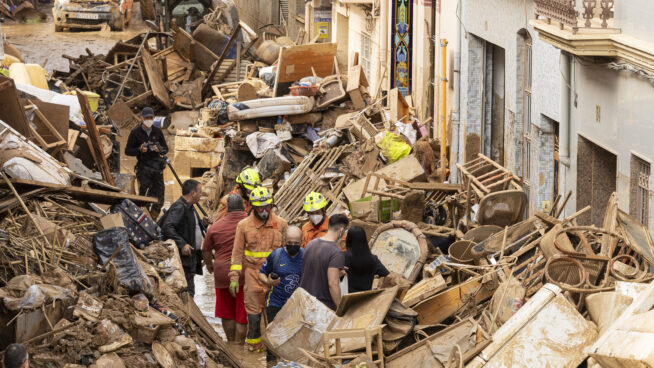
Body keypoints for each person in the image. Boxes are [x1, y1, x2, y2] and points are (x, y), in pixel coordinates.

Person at [229, 186, 288, 352]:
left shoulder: (281, 224)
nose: (264, 211)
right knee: (253, 317)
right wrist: (234, 278)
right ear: (253, 207)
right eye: (260, 208)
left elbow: (286, 253)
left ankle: (274, 352)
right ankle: (254, 350)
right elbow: (237, 253)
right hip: (253, 275)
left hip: (275, 277)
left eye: (266, 207)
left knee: (275, 315)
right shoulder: (243, 226)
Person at [202, 194, 248, 344]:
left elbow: (206, 250)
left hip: (222, 273)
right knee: (242, 313)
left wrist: (210, 265)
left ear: (227, 208)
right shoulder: (251, 223)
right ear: (243, 207)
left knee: (227, 312)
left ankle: (231, 344)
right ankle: (240, 346)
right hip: (245, 272)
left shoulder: (215, 227)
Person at [258, 226, 303, 363]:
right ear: (284, 240)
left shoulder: (306, 256)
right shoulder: (276, 255)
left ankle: (290, 363)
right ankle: (271, 363)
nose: (293, 246)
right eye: (290, 242)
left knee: (294, 336)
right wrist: (269, 282)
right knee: (273, 336)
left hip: (297, 304)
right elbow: (261, 274)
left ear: (302, 241)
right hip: (275, 301)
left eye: (296, 243)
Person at [162, 179, 211, 296]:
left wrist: (203, 224)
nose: (200, 195)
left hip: (191, 258)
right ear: (193, 193)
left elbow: (189, 227)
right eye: (200, 192)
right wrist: (182, 244)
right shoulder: (180, 207)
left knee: (190, 287)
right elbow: (167, 227)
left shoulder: (190, 207)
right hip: (183, 259)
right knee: (187, 290)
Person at [124, 107, 169, 220]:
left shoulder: (157, 131)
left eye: (151, 118)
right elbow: (127, 151)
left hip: (157, 168)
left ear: (154, 118)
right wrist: (139, 149)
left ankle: (152, 219)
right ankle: (143, 220)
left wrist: (159, 149)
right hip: (143, 168)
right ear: (141, 118)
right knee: (143, 198)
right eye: (147, 118)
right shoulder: (135, 133)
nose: (149, 120)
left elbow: (165, 149)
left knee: (159, 198)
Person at [299, 214, 349, 310]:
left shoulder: (310, 244)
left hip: (304, 302)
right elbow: (332, 284)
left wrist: (336, 271)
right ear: (341, 230)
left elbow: (313, 270)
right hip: (322, 307)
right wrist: (340, 308)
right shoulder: (336, 252)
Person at [344, 226, 389, 293]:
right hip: (365, 297)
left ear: (348, 239)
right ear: (364, 239)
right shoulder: (373, 259)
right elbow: (387, 275)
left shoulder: (343, 257)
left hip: (347, 297)